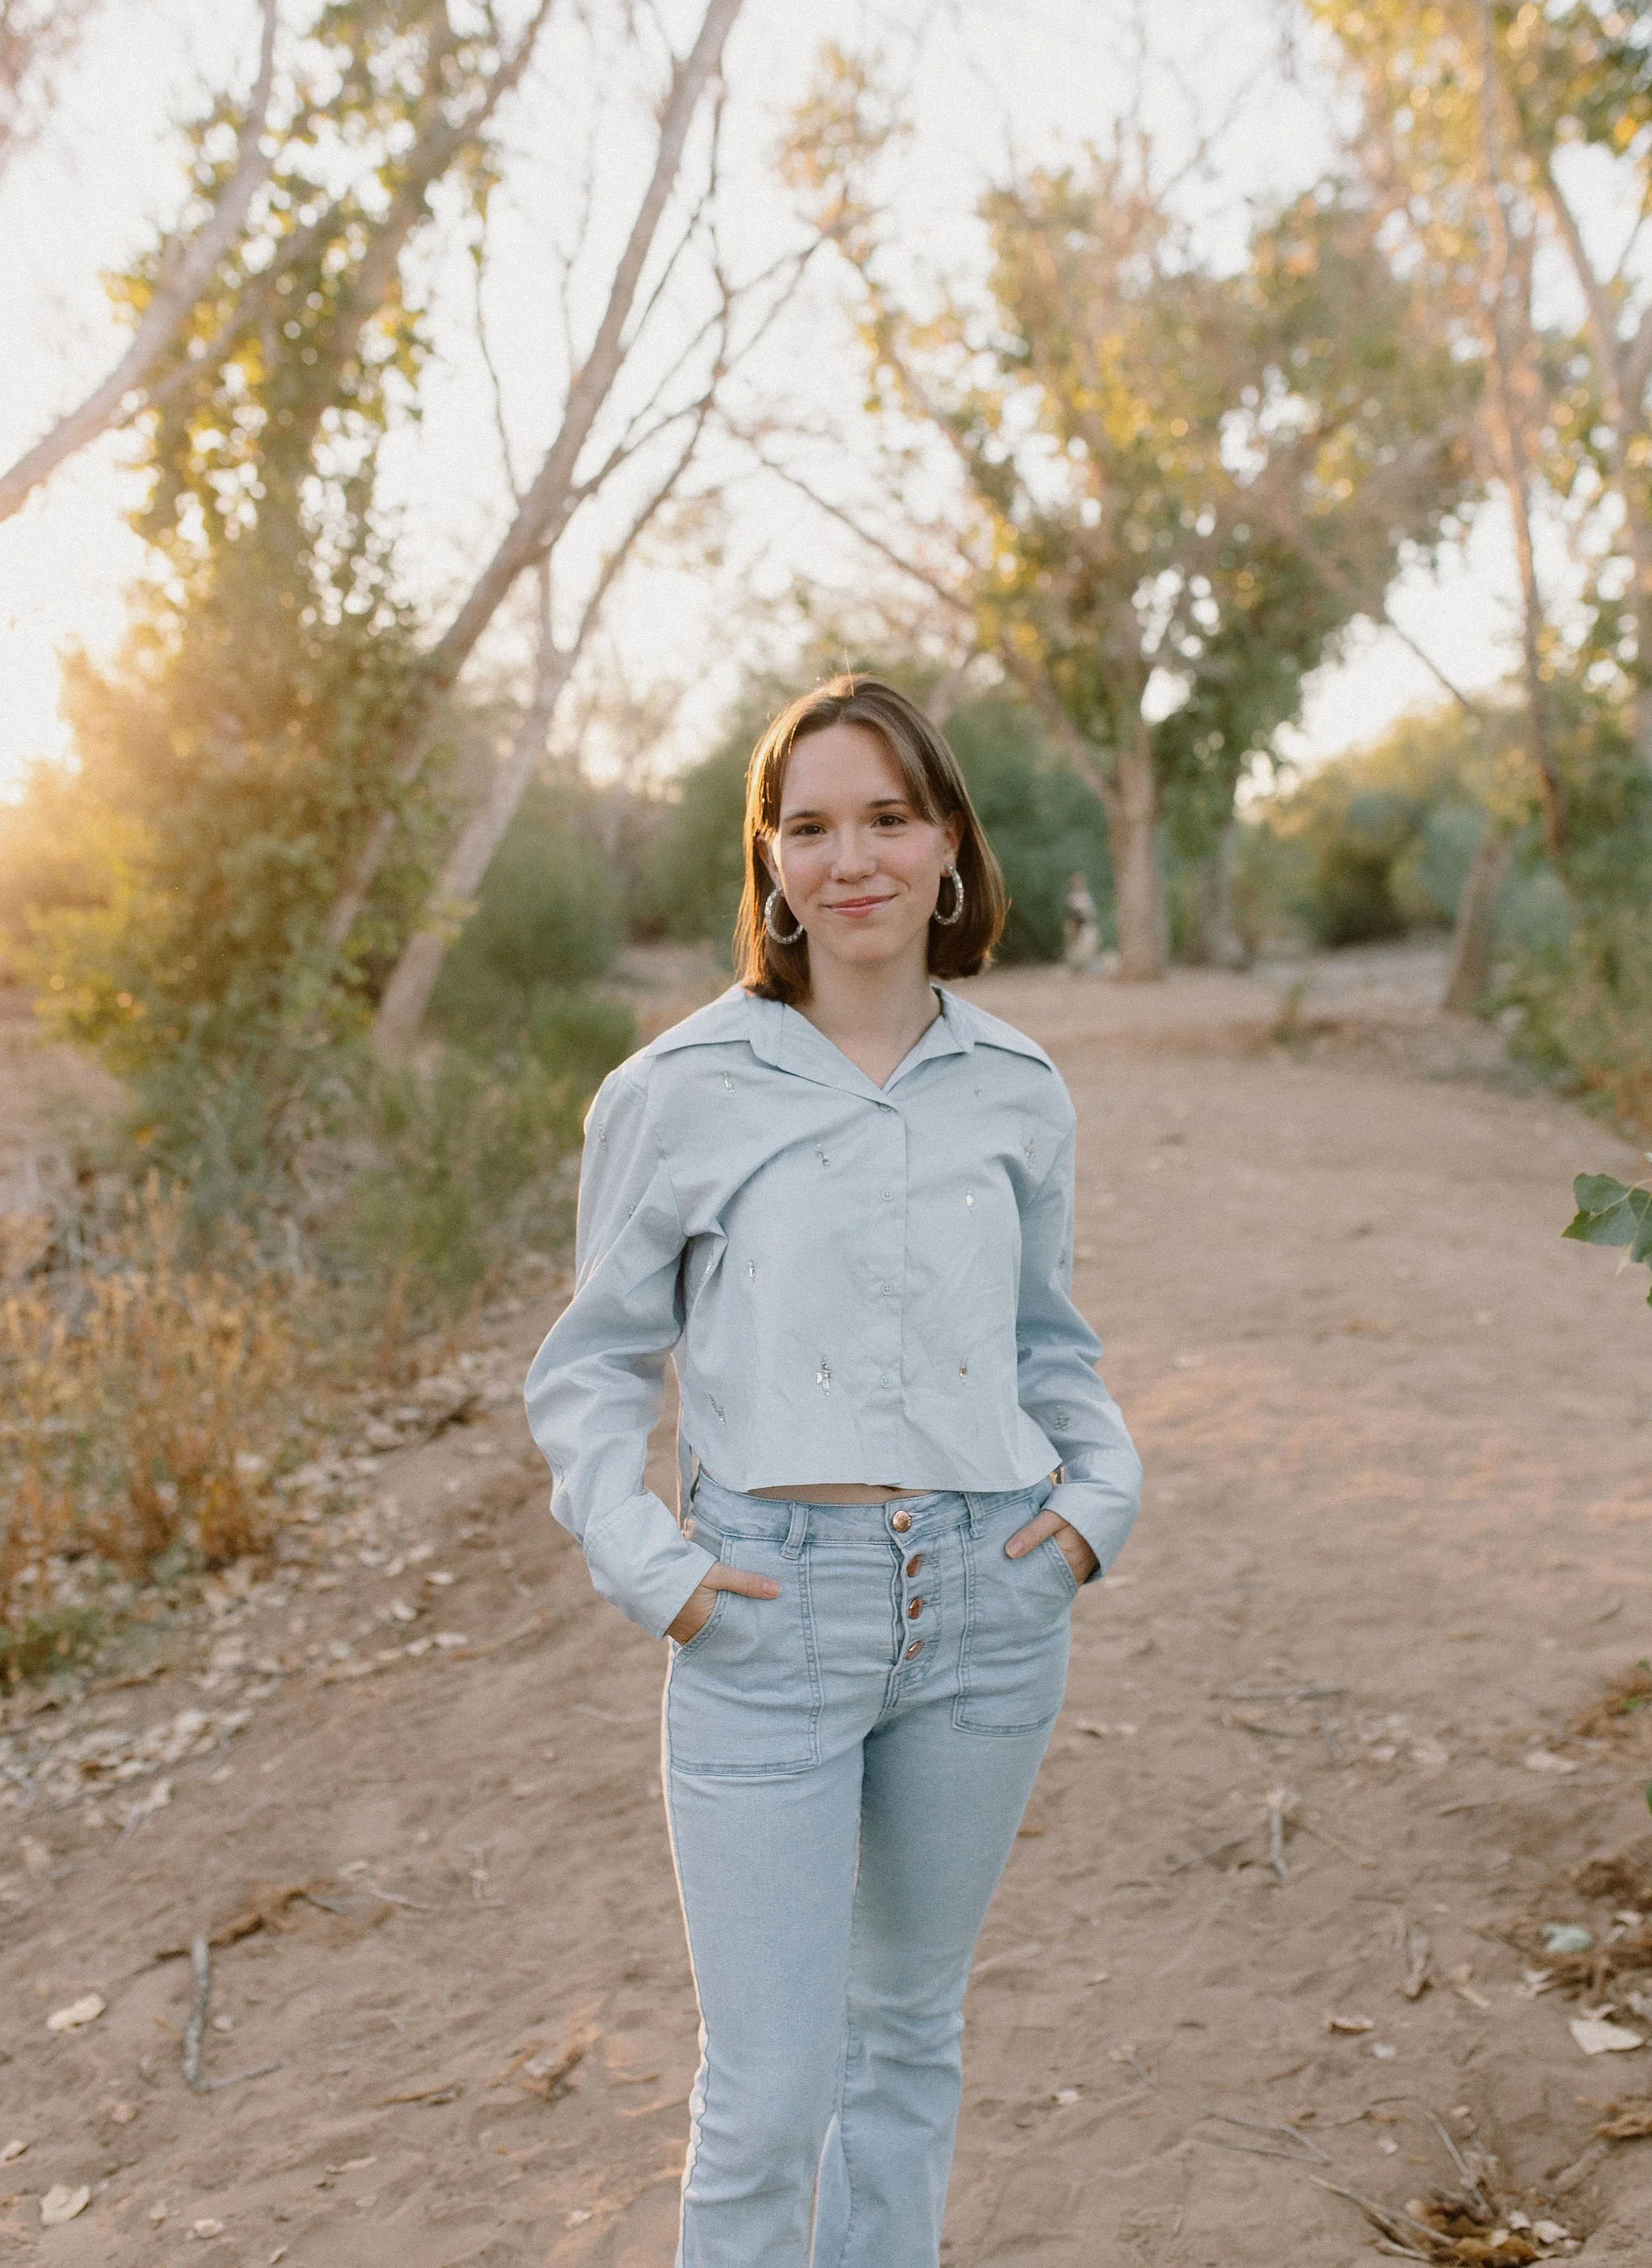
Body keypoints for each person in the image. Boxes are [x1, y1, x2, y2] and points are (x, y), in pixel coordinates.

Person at [525, 675, 1140, 2268]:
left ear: (947, 847)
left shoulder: (1017, 1085)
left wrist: (1092, 1507)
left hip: (992, 1605)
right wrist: (652, 1567)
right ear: (768, 860)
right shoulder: (678, 1090)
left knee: (907, 2047)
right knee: (769, 2094)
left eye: (886, 817)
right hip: (766, 1617)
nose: (849, 857)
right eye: (809, 825)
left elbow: (1046, 1339)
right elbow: (591, 1365)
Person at [1062, 868, 1101, 970]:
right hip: (1079, 925)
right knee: (1076, 948)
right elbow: (1074, 914)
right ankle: (1076, 967)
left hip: (1087, 924)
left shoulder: (1085, 896)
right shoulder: (1073, 897)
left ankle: (1087, 967)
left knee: (1090, 947)